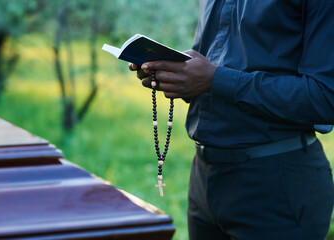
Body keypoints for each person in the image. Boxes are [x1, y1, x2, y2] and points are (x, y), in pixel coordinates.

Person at [129, 0, 334, 239]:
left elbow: (325, 97)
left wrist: (216, 79)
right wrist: (177, 74)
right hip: (204, 180)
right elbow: (214, 66)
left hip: (276, 185)